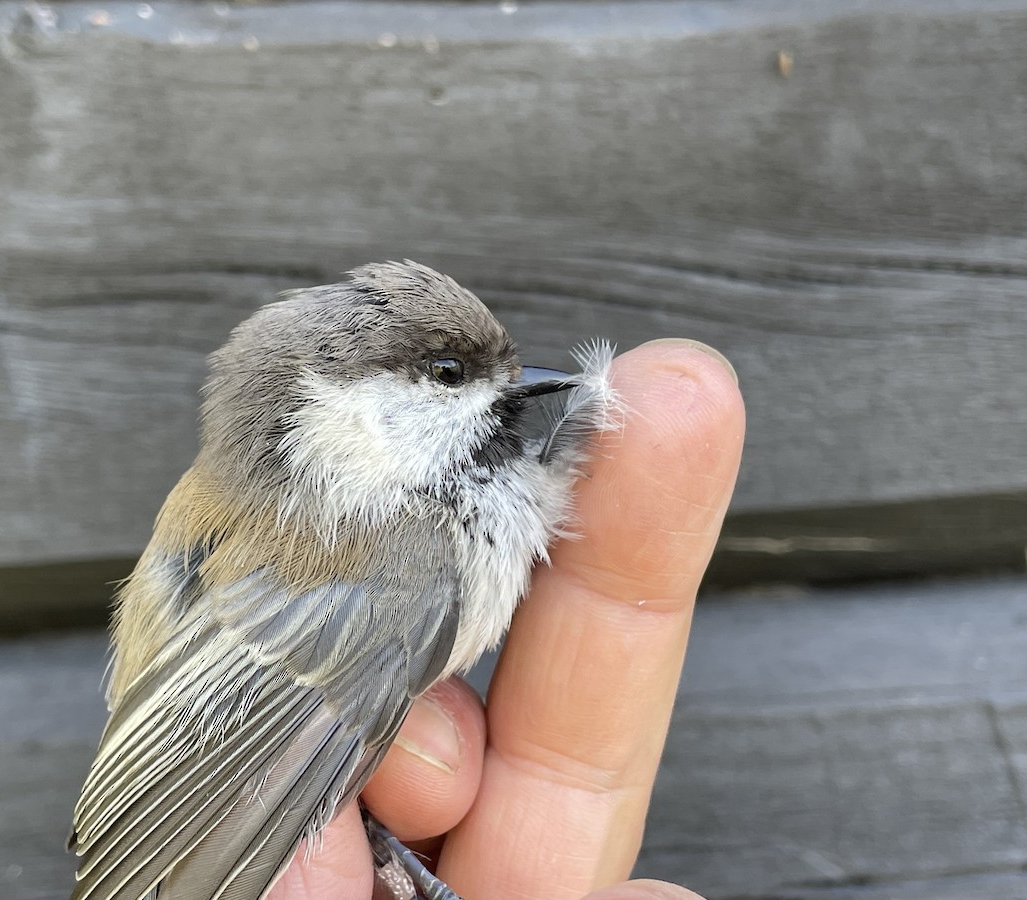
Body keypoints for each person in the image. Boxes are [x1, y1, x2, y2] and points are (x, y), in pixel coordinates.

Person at [267, 339, 744, 900]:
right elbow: (246, 739)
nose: (512, 387)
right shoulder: (392, 535)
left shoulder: (427, 497)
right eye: (450, 373)